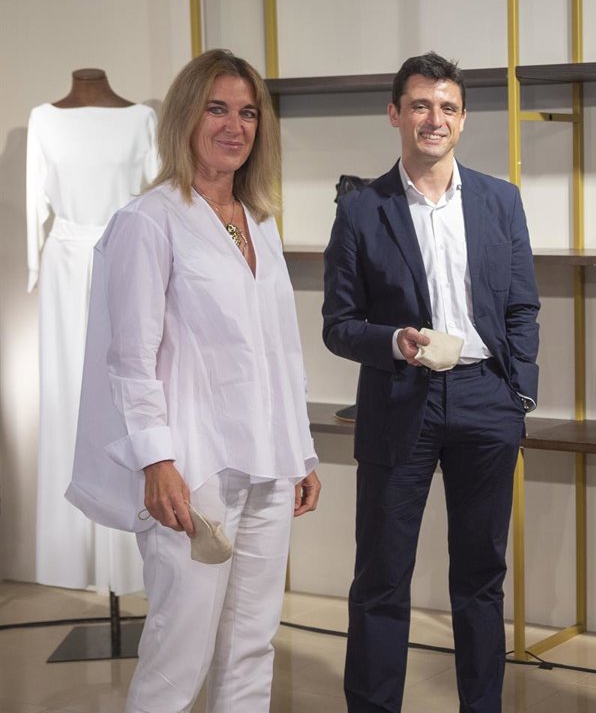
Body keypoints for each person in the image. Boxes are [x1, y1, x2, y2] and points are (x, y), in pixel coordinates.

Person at [67, 48, 321, 713]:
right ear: (186, 116)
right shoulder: (148, 220)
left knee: (252, 647)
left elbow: (281, 349)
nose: (235, 126)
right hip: (195, 469)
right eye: (218, 109)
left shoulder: (258, 221)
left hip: (268, 464)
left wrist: (301, 452)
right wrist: (156, 462)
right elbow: (130, 358)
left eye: (248, 113)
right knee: (179, 653)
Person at [322, 51, 540, 713]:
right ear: (395, 114)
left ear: (464, 119)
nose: (434, 118)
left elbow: (522, 306)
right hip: (398, 399)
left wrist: (519, 392)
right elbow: (338, 324)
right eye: (420, 105)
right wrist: (394, 342)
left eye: (447, 107)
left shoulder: (501, 200)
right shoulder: (362, 208)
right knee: (382, 578)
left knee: (481, 578)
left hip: (487, 399)